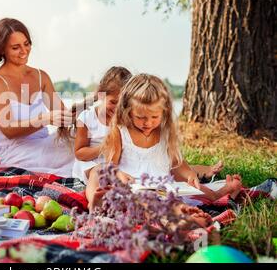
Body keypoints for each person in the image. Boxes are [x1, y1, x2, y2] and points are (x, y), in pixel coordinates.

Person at [86, 73, 242, 211]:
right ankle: (95, 203)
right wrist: (119, 174)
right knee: (97, 171)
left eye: (155, 117)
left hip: (161, 189)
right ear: (127, 111)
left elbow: (176, 163)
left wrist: (189, 174)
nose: (148, 123)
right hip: (131, 188)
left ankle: (217, 195)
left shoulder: (164, 132)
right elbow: (110, 166)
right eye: (141, 118)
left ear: (164, 113)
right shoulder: (121, 131)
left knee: (188, 186)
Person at [0, 18, 74, 176]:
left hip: (45, 145)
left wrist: (83, 115)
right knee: (81, 158)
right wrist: (45, 118)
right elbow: (9, 130)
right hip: (18, 155)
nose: (24, 51)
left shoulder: (41, 76)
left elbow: (63, 116)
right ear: (2, 50)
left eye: (26, 44)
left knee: (90, 141)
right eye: (15, 47)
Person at [73, 67, 224, 184]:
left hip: (120, 162)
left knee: (165, 166)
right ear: (101, 95)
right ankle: (94, 201)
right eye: (113, 102)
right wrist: (104, 147)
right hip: (95, 162)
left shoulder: (129, 121)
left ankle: (201, 172)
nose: (117, 108)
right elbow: (79, 152)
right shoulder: (86, 118)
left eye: (121, 103)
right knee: (99, 174)